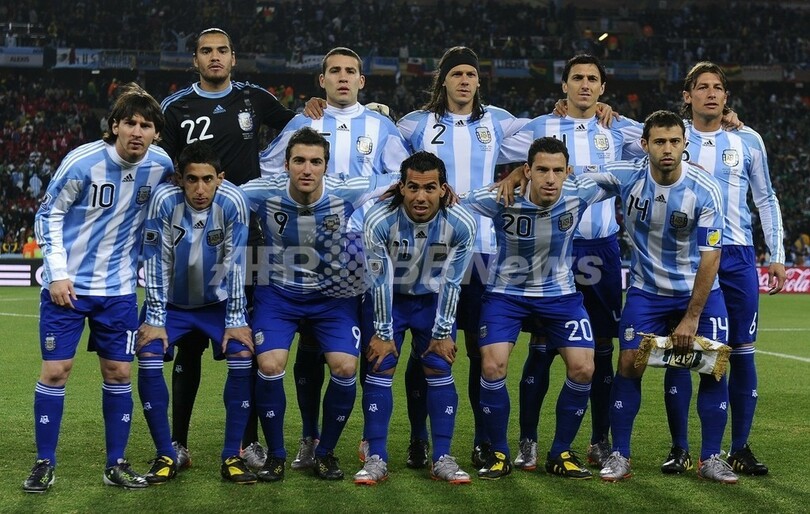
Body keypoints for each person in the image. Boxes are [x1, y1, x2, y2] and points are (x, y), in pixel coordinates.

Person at [158, 27, 324, 470]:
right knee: (189, 345)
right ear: (195, 59)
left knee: (245, 341)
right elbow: (163, 168)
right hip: (194, 239)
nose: (215, 57)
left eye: (222, 51)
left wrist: (317, 107)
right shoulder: (176, 107)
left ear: (234, 58)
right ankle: (178, 443)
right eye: (206, 51)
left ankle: (248, 443)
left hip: (251, 239)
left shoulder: (254, 98)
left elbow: (300, 129)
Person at [258, 46, 409, 471]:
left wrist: (362, 202)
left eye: (350, 71)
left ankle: (371, 443)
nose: (343, 77)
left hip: (362, 254)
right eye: (335, 71)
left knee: (364, 355)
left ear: (362, 80)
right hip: (305, 257)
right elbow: (269, 169)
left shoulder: (381, 126)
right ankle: (310, 439)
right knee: (309, 351)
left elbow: (403, 177)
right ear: (321, 80)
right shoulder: (303, 122)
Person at [24, 83, 173, 493]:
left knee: (119, 372)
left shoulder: (161, 165)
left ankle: (115, 464)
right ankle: (44, 462)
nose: (138, 132)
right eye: (131, 123)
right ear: (115, 126)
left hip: (119, 289)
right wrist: (57, 272)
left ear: (156, 134)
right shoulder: (82, 162)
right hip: (68, 288)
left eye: (146, 125)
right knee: (56, 371)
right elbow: (48, 215)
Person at [499, 54, 644, 471]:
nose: (584, 84)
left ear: (602, 88)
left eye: (592, 79)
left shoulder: (616, 128)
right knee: (542, 348)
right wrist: (515, 173)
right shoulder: (541, 126)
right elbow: (489, 142)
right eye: (577, 78)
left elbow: (665, 137)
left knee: (602, 350)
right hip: (553, 250)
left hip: (602, 249)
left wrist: (728, 120)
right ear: (564, 86)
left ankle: (599, 440)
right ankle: (528, 440)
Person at [241, 127, 399, 482]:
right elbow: (222, 195)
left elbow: (399, 180)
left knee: (345, 367)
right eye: (299, 161)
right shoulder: (263, 192)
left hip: (332, 298)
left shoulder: (347, 190)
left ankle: (325, 452)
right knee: (269, 364)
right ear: (286, 164)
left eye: (315, 162)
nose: (307, 169)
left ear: (326, 166)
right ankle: (276, 455)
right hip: (278, 294)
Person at [590, 110, 736, 484]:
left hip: (699, 292)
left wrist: (691, 317)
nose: (667, 149)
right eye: (659, 142)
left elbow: (711, 256)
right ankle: (620, 454)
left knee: (713, 367)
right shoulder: (626, 176)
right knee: (628, 364)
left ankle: (711, 458)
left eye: (674, 141)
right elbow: (572, 179)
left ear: (685, 144)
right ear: (645, 145)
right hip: (647, 290)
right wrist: (521, 173)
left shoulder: (705, 189)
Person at [397, 46, 525, 469]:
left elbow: (548, 140)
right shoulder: (416, 123)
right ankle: (419, 439)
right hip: (429, 250)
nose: (465, 80)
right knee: (426, 346)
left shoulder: (499, 121)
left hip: (485, 249)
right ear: (444, 80)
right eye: (457, 74)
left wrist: (520, 170)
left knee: (477, 348)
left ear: (478, 81)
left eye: (471, 74)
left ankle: (483, 440)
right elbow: (383, 154)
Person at [461, 136, 617, 480]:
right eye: (542, 170)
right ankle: (499, 453)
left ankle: (560, 452)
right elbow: (454, 201)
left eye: (558, 171)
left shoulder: (580, 192)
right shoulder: (501, 197)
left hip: (560, 295)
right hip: (505, 294)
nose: (550, 178)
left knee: (584, 368)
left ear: (568, 172)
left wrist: (680, 166)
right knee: (492, 366)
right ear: (527, 170)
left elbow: (628, 175)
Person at [658, 61, 785, 476]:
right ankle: (680, 448)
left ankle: (739, 448)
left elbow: (765, 198)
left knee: (742, 353)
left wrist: (777, 254)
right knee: (682, 351)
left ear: (726, 97)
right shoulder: (673, 135)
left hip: (737, 256)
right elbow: (625, 139)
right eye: (702, 86)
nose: (710, 93)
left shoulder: (748, 139)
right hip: (686, 257)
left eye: (717, 87)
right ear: (687, 95)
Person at [135, 141, 256, 485]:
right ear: (179, 179)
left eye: (207, 179)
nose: (200, 189)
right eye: (192, 180)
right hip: (173, 304)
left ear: (220, 178)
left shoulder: (233, 201)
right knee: (148, 353)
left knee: (243, 354)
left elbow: (235, 263)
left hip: (217, 304)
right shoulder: (163, 200)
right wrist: (155, 319)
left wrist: (236, 319)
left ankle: (232, 456)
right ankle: (166, 453)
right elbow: (155, 261)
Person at [353, 151, 476, 485]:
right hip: (389, 300)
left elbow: (452, 282)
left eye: (430, 188)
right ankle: (376, 457)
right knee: (381, 364)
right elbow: (379, 281)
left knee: (438, 366)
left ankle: (442, 457)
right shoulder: (379, 219)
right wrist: (382, 333)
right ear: (401, 188)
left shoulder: (461, 223)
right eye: (413, 187)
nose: (421, 196)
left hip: (431, 300)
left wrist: (443, 331)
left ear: (443, 189)